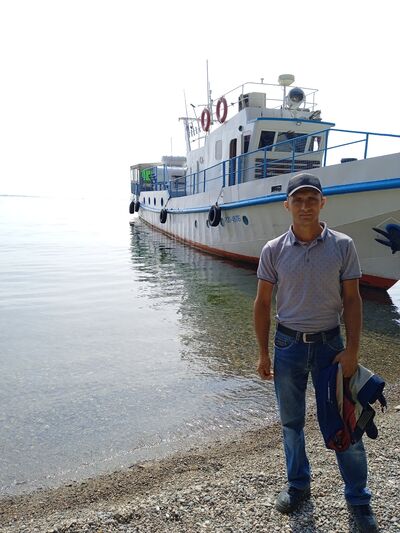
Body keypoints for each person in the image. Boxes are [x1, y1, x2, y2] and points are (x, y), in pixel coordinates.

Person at [253, 173, 378, 532]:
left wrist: (352, 350)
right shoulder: (273, 249)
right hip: (288, 346)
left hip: (331, 347)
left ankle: (358, 500)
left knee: (345, 422)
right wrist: (263, 354)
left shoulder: (343, 245)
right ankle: (298, 485)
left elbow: (352, 300)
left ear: (323, 203)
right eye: (298, 200)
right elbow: (262, 304)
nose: (305, 206)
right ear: (287, 205)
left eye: (312, 199)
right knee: (291, 423)